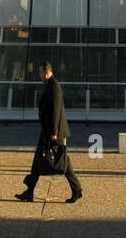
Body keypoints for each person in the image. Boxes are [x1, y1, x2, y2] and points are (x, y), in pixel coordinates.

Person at [15, 62, 83, 203]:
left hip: (53, 131)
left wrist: (54, 132)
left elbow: (56, 111)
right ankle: (30, 191)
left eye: (40, 73)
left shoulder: (54, 86)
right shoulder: (50, 85)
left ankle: (76, 189)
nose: (39, 76)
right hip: (48, 130)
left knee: (62, 161)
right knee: (41, 160)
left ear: (46, 73)